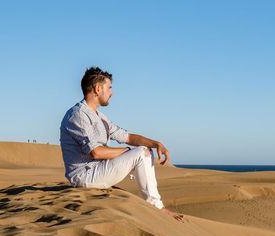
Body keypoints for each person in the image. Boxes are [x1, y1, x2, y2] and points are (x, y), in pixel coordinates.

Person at [60, 66, 184, 221]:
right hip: (84, 175)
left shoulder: (100, 117)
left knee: (144, 149)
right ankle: (156, 206)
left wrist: (156, 144)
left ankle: (154, 203)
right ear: (98, 89)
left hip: (97, 170)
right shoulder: (78, 115)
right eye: (109, 87)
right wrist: (127, 151)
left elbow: (128, 137)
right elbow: (96, 152)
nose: (112, 93)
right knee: (142, 153)